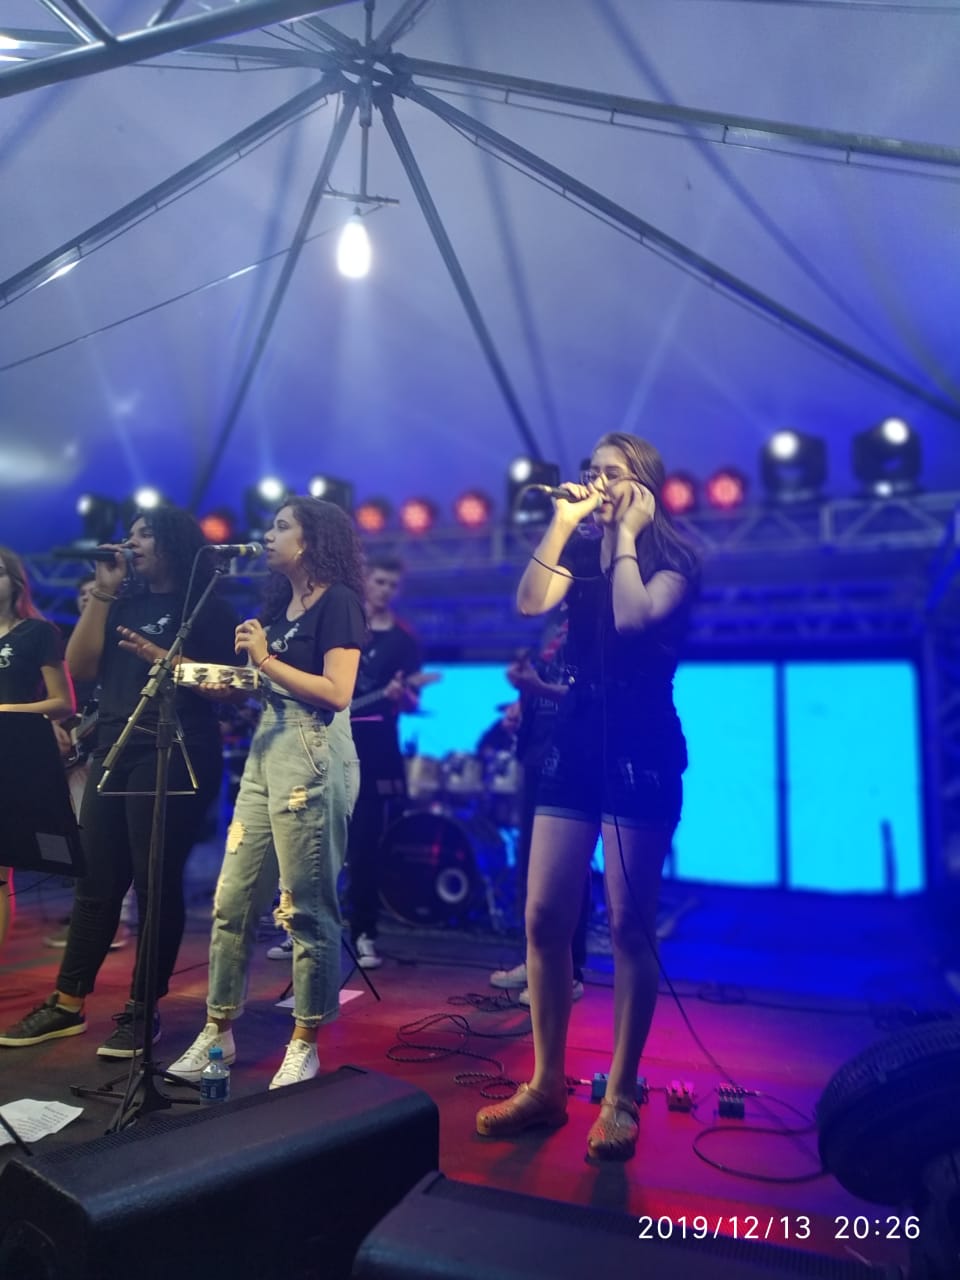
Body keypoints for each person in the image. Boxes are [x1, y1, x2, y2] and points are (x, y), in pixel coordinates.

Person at [476, 432, 699, 1161]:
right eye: (590, 471)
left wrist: (626, 535)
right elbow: (528, 601)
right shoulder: (576, 549)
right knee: (544, 915)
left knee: (629, 925)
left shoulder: (674, 558)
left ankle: (621, 1094)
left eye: (610, 473)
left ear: (642, 484)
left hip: (641, 742)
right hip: (575, 736)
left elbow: (633, 616)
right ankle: (546, 1084)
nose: (595, 482)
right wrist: (564, 522)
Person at [0, 506, 236, 1055]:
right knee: (95, 879)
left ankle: (141, 1008)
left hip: (175, 750)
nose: (130, 543)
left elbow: (228, 685)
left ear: (171, 542)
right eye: (129, 534)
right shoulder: (121, 602)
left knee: (154, 883)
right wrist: (103, 593)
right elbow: (80, 668)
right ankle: (66, 1003)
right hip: (115, 747)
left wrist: (165, 660)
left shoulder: (208, 607)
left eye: (144, 534)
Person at [167, 497, 365, 1090]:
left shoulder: (339, 601)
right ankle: (217, 1030)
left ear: (311, 541)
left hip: (313, 751)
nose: (268, 535)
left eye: (282, 526)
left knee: (306, 906)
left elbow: (336, 692)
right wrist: (210, 676)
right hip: (267, 748)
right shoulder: (281, 607)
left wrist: (266, 659)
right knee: (231, 899)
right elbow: (269, 683)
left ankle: (305, 1041)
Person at [488, 620, 591, 1008]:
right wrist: (523, 704)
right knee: (531, 864)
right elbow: (545, 687)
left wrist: (536, 688)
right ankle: (536, 961)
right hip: (535, 755)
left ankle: (570, 972)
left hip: (571, 758)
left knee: (566, 869)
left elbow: (588, 697)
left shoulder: (598, 621)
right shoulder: (552, 628)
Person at [342, 553, 422, 970]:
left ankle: (364, 932)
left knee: (365, 845)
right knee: (315, 839)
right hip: (330, 744)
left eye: (392, 584)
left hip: (376, 750)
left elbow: (412, 702)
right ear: (365, 580)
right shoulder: (342, 626)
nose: (385, 590)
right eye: (379, 581)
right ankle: (299, 927)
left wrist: (400, 694)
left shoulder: (404, 641)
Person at [0, 547, 76, 951]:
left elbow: (64, 702)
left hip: (10, 756)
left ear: (15, 582)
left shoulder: (37, 633)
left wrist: (5, 710)